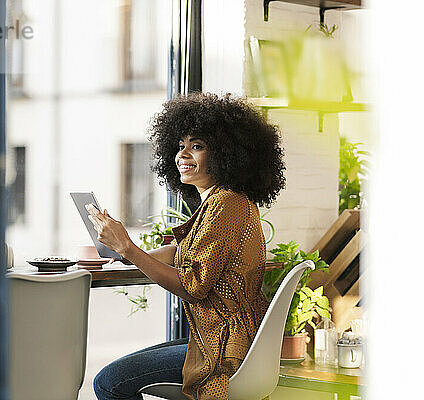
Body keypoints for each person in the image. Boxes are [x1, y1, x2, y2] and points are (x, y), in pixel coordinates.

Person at [88, 93, 286, 400]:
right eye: (180, 146)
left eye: (197, 146)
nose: (182, 154)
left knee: (109, 381)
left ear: (226, 153)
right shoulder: (219, 201)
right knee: (122, 369)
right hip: (218, 336)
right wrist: (125, 254)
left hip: (222, 347)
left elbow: (192, 287)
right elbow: (183, 250)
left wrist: (128, 248)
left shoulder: (226, 205)